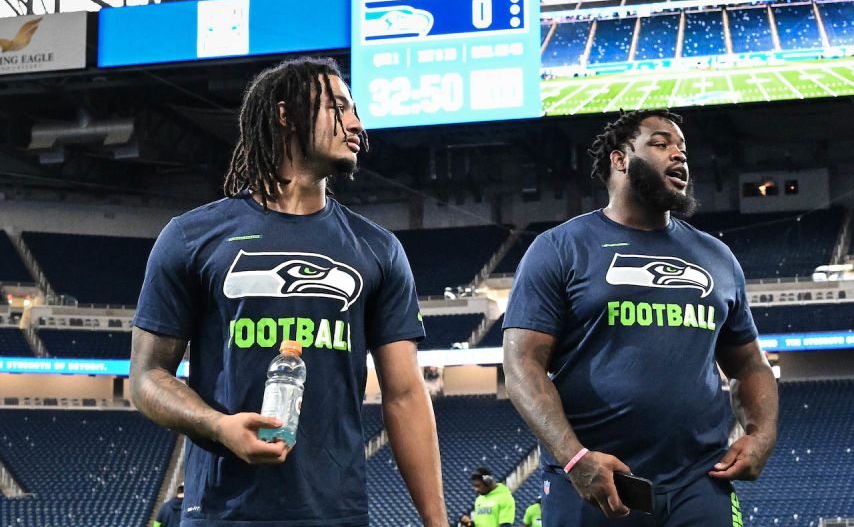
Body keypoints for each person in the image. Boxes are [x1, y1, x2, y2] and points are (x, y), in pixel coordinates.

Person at [129, 57, 447, 526]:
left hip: (335, 513)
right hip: (223, 513)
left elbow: (403, 395)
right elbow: (146, 377)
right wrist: (219, 427)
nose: (357, 124)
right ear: (286, 115)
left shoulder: (378, 249)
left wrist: (436, 522)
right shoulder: (191, 237)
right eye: (339, 107)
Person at [503, 109, 778, 525]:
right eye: (661, 143)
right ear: (620, 159)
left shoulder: (717, 258)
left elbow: (749, 363)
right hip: (595, 482)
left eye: (683, 148)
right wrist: (575, 458)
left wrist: (761, 434)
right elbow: (522, 363)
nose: (679, 156)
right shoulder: (560, 248)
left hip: (699, 484)